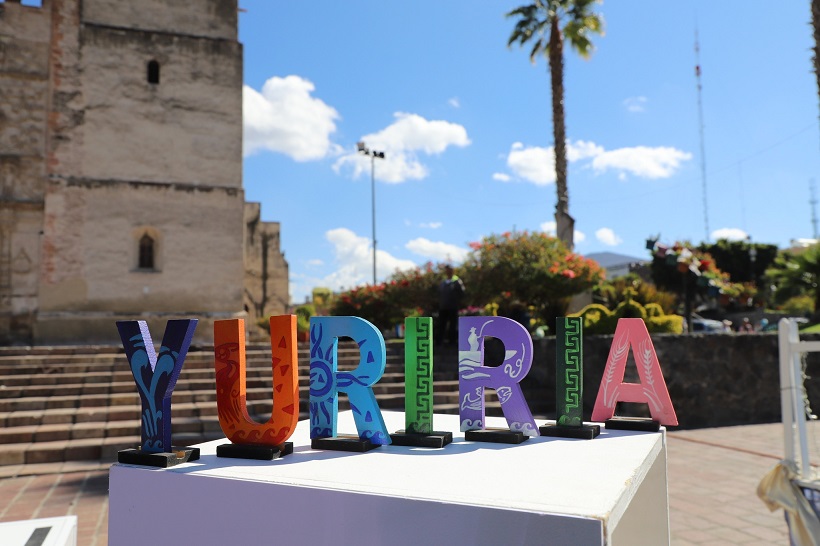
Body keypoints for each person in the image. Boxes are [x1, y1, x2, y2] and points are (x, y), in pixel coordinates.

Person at [437, 265, 465, 345]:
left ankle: (452, 342)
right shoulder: (443, 282)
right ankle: (440, 342)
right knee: (442, 325)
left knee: (453, 325)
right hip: (443, 307)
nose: (448, 272)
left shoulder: (457, 281)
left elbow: (461, 293)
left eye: (450, 270)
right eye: (447, 270)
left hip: (453, 307)